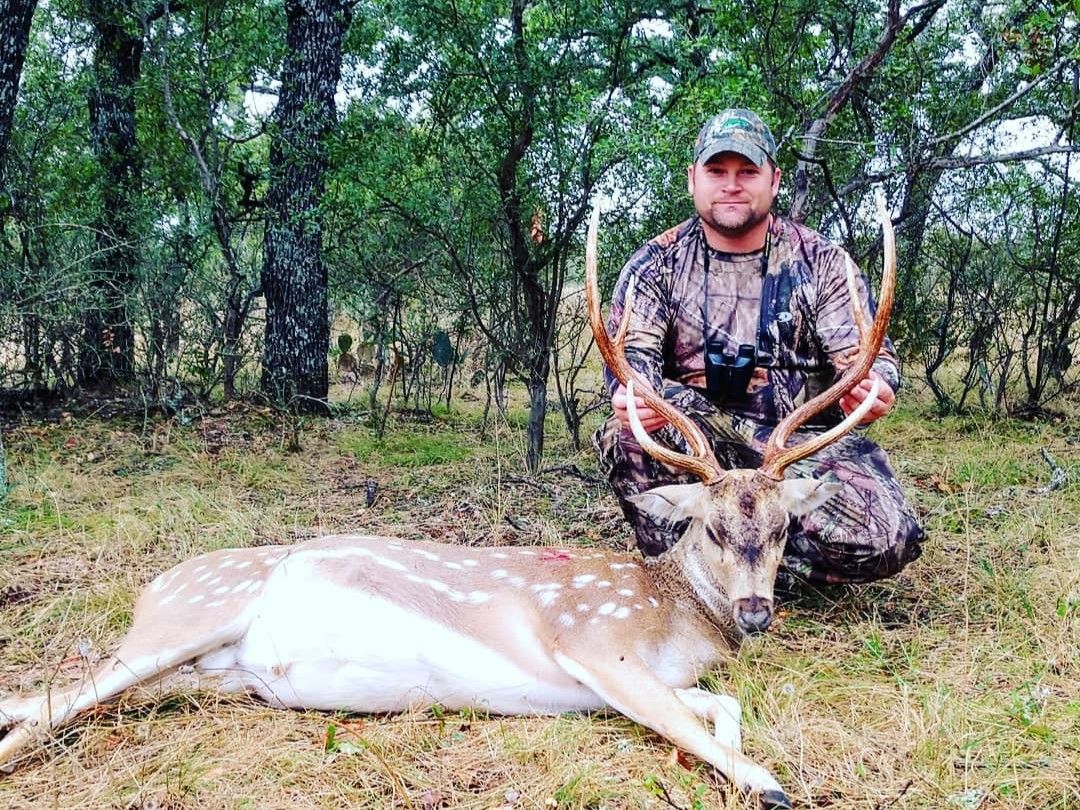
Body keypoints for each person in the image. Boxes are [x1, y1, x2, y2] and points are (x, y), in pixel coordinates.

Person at [592, 108, 924, 586]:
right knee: (626, 438)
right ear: (693, 180)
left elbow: (869, 357)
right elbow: (631, 366)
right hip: (697, 446)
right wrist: (634, 400)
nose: (732, 184)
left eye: (748, 171)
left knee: (885, 538)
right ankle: (688, 581)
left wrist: (874, 387)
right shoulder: (654, 265)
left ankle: (746, 569)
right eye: (716, 171)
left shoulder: (824, 263)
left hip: (795, 450)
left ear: (774, 180)